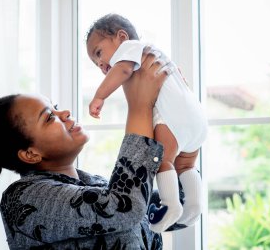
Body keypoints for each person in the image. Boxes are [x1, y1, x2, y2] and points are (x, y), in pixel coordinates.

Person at [0, 51, 177, 249]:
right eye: (49, 117)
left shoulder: (94, 183)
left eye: (55, 106)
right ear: (30, 154)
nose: (64, 112)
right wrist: (140, 106)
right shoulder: (23, 197)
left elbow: (162, 209)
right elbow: (123, 208)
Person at [86, 13, 208, 232]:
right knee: (186, 165)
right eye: (96, 64)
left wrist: (99, 96)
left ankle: (170, 206)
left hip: (173, 118)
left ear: (121, 37)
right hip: (196, 118)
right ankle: (194, 206)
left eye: (99, 53)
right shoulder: (156, 55)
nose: (101, 64)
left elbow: (122, 70)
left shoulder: (131, 49)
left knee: (162, 161)